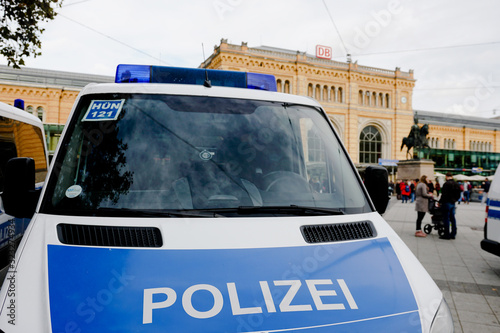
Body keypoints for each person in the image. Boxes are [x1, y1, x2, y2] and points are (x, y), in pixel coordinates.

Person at [439, 172, 461, 240]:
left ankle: (446, 234)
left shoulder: (446, 184)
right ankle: (453, 234)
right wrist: (455, 200)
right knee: (453, 218)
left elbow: (444, 194)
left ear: (446, 177)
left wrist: (440, 202)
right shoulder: (456, 184)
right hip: (453, 203)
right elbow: (459, 194)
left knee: (446, 219)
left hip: (446, 203)